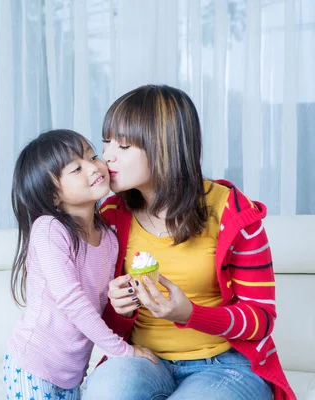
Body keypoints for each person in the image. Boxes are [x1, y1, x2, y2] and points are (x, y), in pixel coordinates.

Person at [83, 85, 295, 399]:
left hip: (225, 365)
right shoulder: (112, 215)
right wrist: (120, 310)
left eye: (124, 146)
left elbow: (260, 321)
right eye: (107, 142)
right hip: (144, 359)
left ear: (164, 147)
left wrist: (190, 314)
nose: (107, 156)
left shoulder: (233, 213)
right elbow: (104, 328)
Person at [4, 129, 157, 400]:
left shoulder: (109, 238)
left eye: (92, 156)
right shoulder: (49, 230)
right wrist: (123, 351)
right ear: (53, 196)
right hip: (33, 366)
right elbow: (72, 302)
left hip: (74, 373)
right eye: (76, 168)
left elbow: (104, 305)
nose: (94, 167)